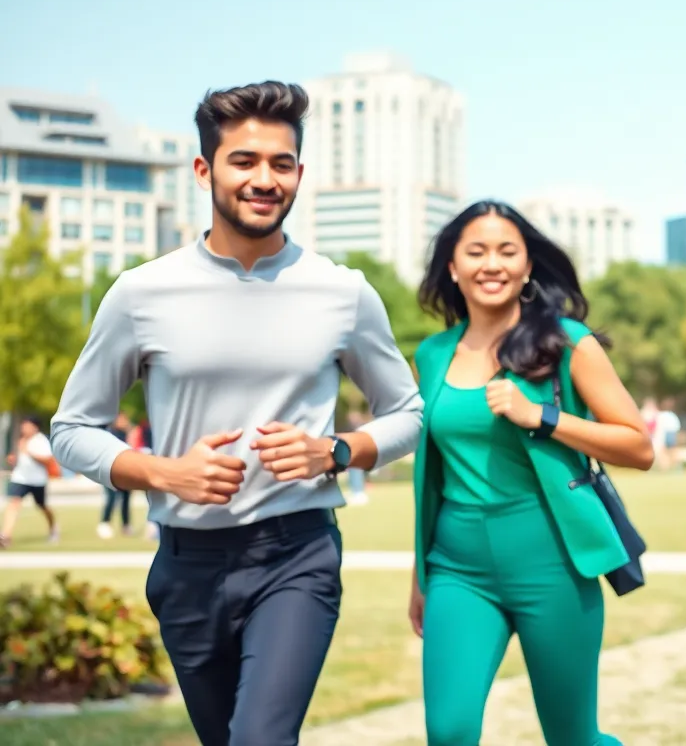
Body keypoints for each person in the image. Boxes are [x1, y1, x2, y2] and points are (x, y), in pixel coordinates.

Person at [49, 81, 423, 746]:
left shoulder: (345, 292)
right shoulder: (141, 293)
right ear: (204, 170)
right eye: (244, 161)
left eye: (281, 164)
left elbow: (407, 414)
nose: (264, 179)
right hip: (185, 565)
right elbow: (73, 429)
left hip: (295, 555)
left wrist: (337, 451)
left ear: (300, 175)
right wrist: (163, 474)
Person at [408, 200, 653, 745]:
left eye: (506, 251)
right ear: (452, 266)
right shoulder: (431, 355)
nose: (490, 264)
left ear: (526, 267)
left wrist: (541, 416)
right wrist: (420, 576)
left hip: (554, 563)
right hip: (457, 568)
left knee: (572, 738)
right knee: (448, 732)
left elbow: (638, 446)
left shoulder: (567, 342)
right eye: (475, 251)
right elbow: (433, 476)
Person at [1, 416, 59, 548]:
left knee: (42, 506)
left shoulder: (40, 441)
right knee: (14, 503)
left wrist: (30, 453)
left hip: (37, 480)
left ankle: (53, 528)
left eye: (26, 425)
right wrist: (13, 459)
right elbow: (20, 459)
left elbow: (48, 460)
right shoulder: (21, 440)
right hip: (20, 478)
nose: (23, 428)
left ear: (34, 427)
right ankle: (6, 536)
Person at [98, 412, 134, 538]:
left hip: (126, 471)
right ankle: (105, 523)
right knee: (111, 498)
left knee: (126, 499)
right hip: (111, 470)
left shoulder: (128, 434)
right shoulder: (111, 434)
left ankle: (126, 525)